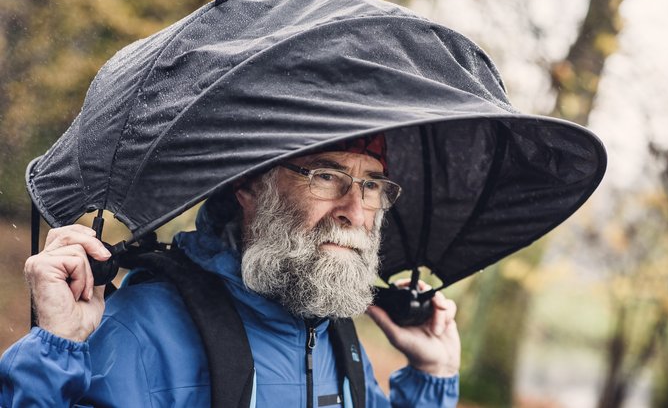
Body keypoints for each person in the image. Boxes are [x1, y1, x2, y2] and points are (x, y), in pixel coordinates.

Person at [0, 135, 461, 406]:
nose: (355, 212)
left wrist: (430, 376)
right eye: (326, 176)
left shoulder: (330, 331)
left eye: (372, 185)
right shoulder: (140, 329)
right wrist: (55, 353)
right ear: (250, 186)